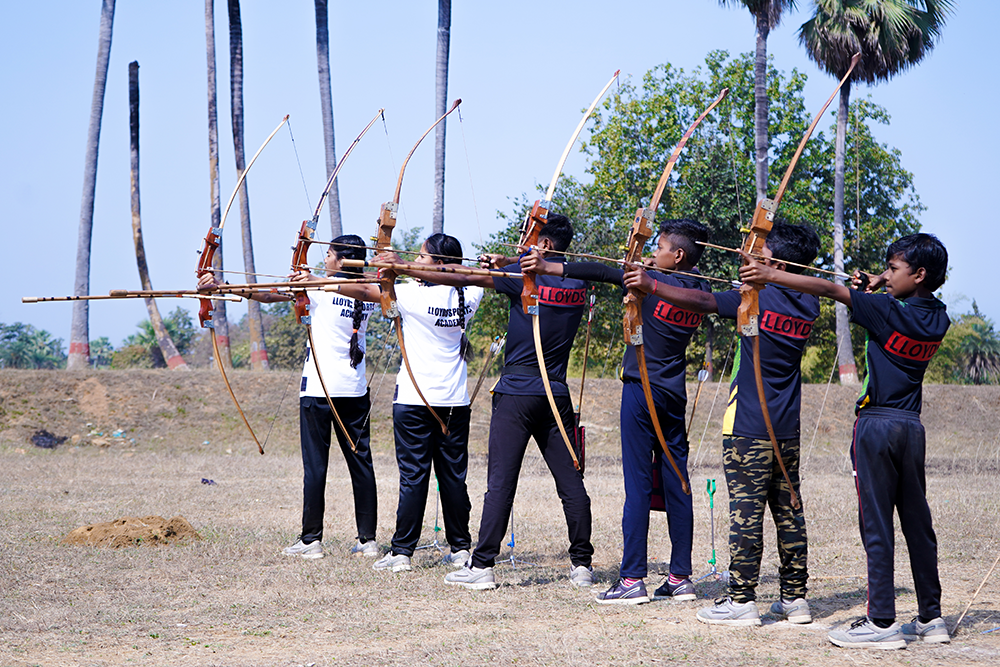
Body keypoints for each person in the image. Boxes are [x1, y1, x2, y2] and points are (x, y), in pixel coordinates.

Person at [739, 233, 951, 649]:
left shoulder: (885, 310)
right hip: (911, 427)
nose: (886, 275)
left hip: (875, 426)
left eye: (893, 269)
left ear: (919, 274)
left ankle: (882, 621)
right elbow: (905, 297)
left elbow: (830, 288)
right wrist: (880, 280)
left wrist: (768, 275)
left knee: (876, 524)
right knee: (916, 523)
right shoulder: (939, 317)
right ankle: (931, 617)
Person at [624, 221, 821, 625]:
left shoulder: (755, 300)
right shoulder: (809, 303)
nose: (755, 258)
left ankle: (741, 600)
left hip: (748, 427)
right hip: (787, 428)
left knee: (745, 515)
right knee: (788, 513)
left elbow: (704, 302)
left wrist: (652, 285)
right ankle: (795, 598)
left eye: (762, 254)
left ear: (776, 263)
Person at [386, 213, 595, 590]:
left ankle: (482, 566)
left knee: (500, 483)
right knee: (571, 482)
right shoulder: (577, 282)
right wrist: (506, 263)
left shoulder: (522, 278)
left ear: (544, 246)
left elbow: (460, 278)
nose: (522, 246)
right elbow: (493, 273)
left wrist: (399, 267)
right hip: (555, 394)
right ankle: (582, 564)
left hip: (516, 395)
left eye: (530, 240)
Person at [524, 219, 711, 605]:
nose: (652, 252)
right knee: (679, 482)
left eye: (658, 246)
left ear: (677, 255)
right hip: (674, 394)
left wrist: (546, 268)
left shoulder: (650, 282)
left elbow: (601, 271)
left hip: (642, 392)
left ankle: (631, 579)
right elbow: (606, 270)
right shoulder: (700, 288)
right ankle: (680, 577)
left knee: (639, 485)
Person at [199, 234, 379, 560]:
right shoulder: (367, 290)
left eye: (328, 254)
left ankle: (311, 541)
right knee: (361, 465)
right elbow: (370, 284)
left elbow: (267, 295)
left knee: (316, 468)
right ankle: (368, 542)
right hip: (354, 391)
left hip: (319, 392)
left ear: (341, 261)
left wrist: (221, 286)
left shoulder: (319, 286)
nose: (324, 259)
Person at [368, 233, 485, 573]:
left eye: (421, 258)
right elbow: (466, 276)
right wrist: (397, 268)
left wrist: (392, 269)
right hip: (453, 402)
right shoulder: (472, 292)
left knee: (414, 476)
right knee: (452, 477)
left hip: (414, 401)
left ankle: (403, 552)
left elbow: (365, 290)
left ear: (438, 264)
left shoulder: (411, 296)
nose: (415, 263)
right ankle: (460, 548)